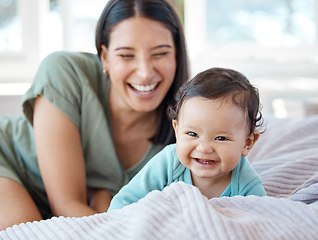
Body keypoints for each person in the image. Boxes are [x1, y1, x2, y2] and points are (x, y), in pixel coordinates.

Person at [0, 0, 189, 236]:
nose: (144, 72)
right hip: (1, 155)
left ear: (177, 55)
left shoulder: (187, 128)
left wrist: (101, 199)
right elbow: (67, 206)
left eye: (160, 53)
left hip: (58, 209)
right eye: (126, 55)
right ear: (105, 57)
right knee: (19, 231)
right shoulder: (65, 72)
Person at [108, 67, 266, 212]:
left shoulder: (246, 183)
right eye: (192, 134)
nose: (204, 148)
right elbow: (125, 201)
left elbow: (263, 223)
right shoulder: (169, 162)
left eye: (220, 138)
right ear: (177, 129)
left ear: (247, 143)